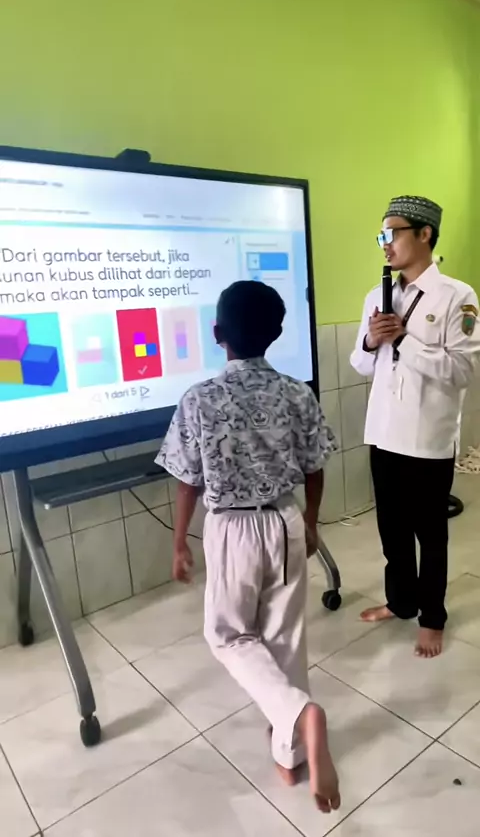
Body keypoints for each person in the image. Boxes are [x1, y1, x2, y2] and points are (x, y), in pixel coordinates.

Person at [157, 280, 340, 813]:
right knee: (286, 638)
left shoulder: (199, 399)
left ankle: (300, 715)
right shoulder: (297, 392)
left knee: (229, 634)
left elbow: (188, 482)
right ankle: (290, 756)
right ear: (277, 334)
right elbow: (315, 468)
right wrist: (310, 523)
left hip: (232, 528)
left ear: (217, 333)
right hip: (285, 520)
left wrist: (179, 543)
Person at [351, 195, 480, 658]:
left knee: (430, 533)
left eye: (393, 234)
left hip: (428, 439)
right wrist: (372, 341)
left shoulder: (458, 296)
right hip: (383, 432)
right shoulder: (377, 295)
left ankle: (432, 617)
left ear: (424, 234)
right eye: (381, 236)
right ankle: (401, 601)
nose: (385, 244)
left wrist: (405, 339)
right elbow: (359, 363)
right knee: (392, 529)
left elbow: (462, 371)